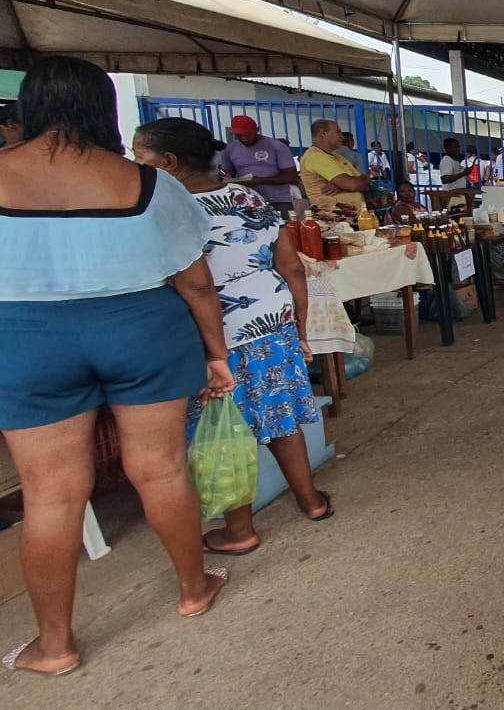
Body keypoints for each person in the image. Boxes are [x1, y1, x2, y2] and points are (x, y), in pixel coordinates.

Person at [0, 57, 232, 676]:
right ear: (103, 108)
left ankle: (55, 646)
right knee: (159, 471)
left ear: (30, 107)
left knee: (49, 496)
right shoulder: (151, 184)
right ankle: (193, 589)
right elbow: (197, 283)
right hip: (141, 331)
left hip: (25, 339)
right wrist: (216, 352)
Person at [131, 118, 333, 556]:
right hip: (273, 324)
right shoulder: (249, 196)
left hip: (217, 339)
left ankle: (240, 530)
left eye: (140, 158)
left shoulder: (171, 212)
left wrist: (210, 350)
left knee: (225, 431)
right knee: (281, 415)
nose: (135, 166)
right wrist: (298, 327)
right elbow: (292, 267)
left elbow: (194, 286)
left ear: (168, 163)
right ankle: (311, 500)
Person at [217, 114, 299, 215]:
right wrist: (227, 177)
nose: (244, 139)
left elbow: (291, 176)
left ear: (257, 130)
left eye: (248, 134)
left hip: (277, 201)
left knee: (285, 229)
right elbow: (228, 172)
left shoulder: (277, 147)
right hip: (245, 202)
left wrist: (261, 181)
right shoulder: (229, 149)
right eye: (239, 136)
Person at [299, 120, 371, 214]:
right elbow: (352, 184)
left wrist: (341, 186)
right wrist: (348, 184)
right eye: (338, 132)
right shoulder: (315, 157)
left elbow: (367, 183)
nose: (342, 137)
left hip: (353, 219)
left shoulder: (339, 158)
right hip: (332, 222)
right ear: (323, 134)